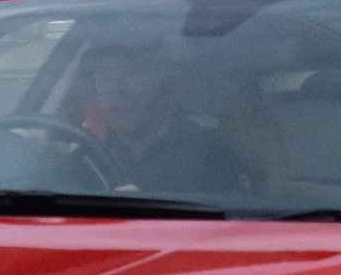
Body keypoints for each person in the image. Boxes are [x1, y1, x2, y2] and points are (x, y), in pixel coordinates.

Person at [79, 46, 248, 197]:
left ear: (170, 85)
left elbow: (228, 226)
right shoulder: (87, 156)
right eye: (104, 75)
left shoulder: (213, 157)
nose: (115, 89)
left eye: (133, 72)